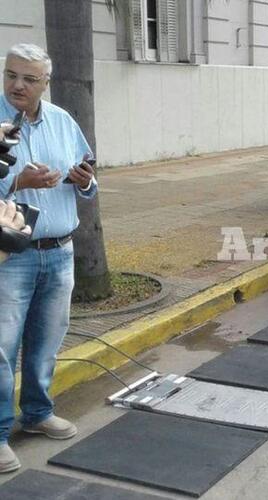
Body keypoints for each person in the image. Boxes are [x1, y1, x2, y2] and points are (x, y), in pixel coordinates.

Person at [0, 43, 98, 473]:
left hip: (59, 251)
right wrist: (18, 179)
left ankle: (37, 414)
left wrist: (83, 179)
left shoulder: (62, 121)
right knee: (1, 348)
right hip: (10, 254)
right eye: (11, 75)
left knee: (45, 343)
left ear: (46, 83)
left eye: (28, 78)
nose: (18, 85)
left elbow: (89, 178)